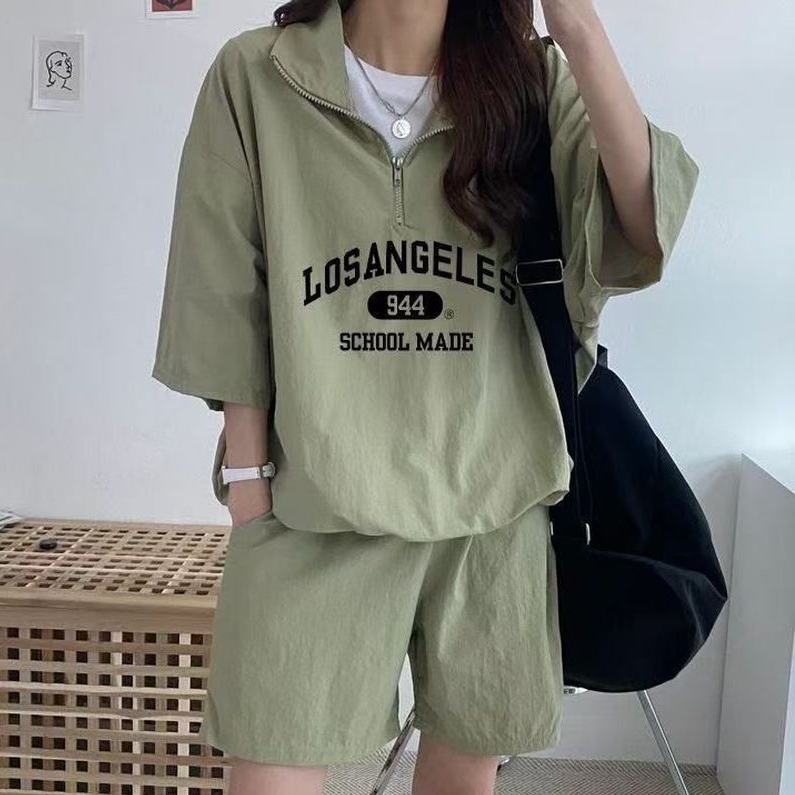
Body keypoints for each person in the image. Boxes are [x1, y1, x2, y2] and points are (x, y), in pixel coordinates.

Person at [151, 0, 700, 792]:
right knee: (269, 754)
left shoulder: (530, 80)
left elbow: (643, 224)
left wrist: (576, 27)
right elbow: (222, 279)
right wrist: (247, 479)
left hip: (491, 497)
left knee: (463, 764)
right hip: (312, 497)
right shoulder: (259, 74)